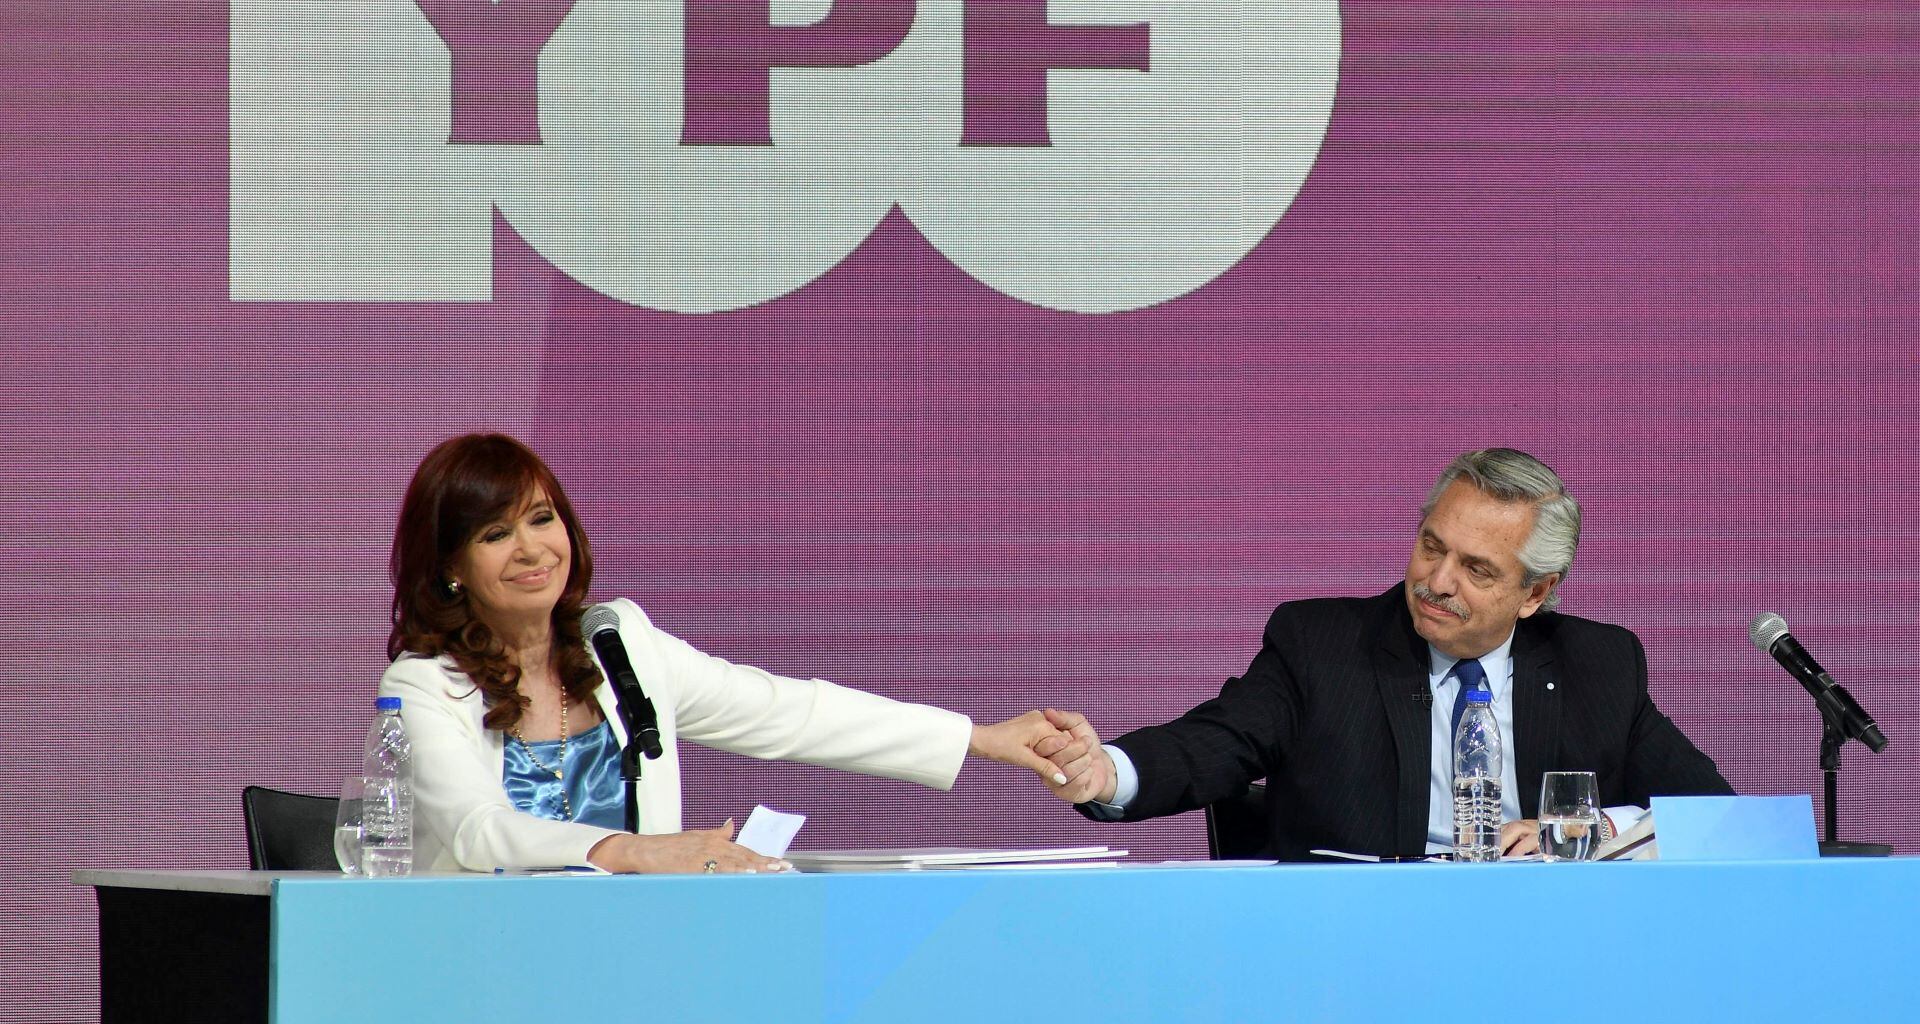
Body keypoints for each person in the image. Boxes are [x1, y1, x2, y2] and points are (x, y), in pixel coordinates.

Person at [381, 432, 1082, 874]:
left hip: (639, 958)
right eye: (497, 534)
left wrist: (981, 738)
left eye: (542, 519)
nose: (533, 549)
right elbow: (478, 833)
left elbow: (792, 713)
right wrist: (646, 853)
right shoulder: (422, 686)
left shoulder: (619, 644)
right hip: (477, 961)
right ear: (451, 567)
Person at [1033, 448, 1732, 860]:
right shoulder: (1322, 646)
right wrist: (1108, 772)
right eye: (1432, 545)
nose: (1436, 581)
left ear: (1535, 591)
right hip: (1354, 964)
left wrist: (1580, 832)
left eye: (1477, 569)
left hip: (1545, 960)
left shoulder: (1598, 664)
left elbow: (1721, 818)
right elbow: (1215, 742)